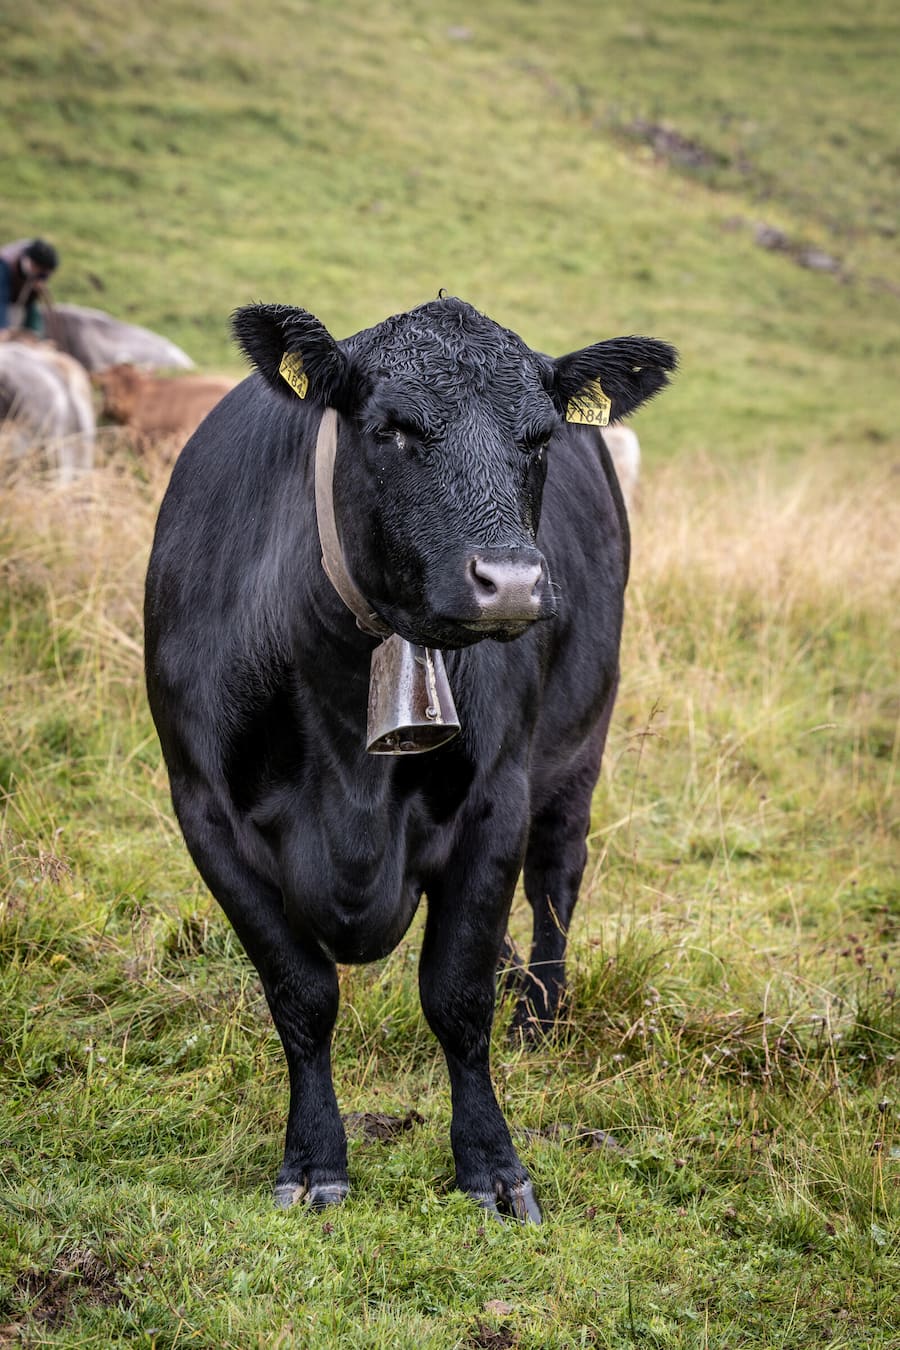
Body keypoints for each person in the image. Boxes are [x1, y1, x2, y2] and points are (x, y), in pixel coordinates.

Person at [0, 238, 59, 336]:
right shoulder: (5, 265)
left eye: (44, 274)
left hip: (20, 290)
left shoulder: (38, 271)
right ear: (31, 263)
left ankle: (35, 333)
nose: (42, 276)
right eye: (40, 271)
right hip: (4, 289)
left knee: (32, 306)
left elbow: (30, 302)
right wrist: (2, 328)